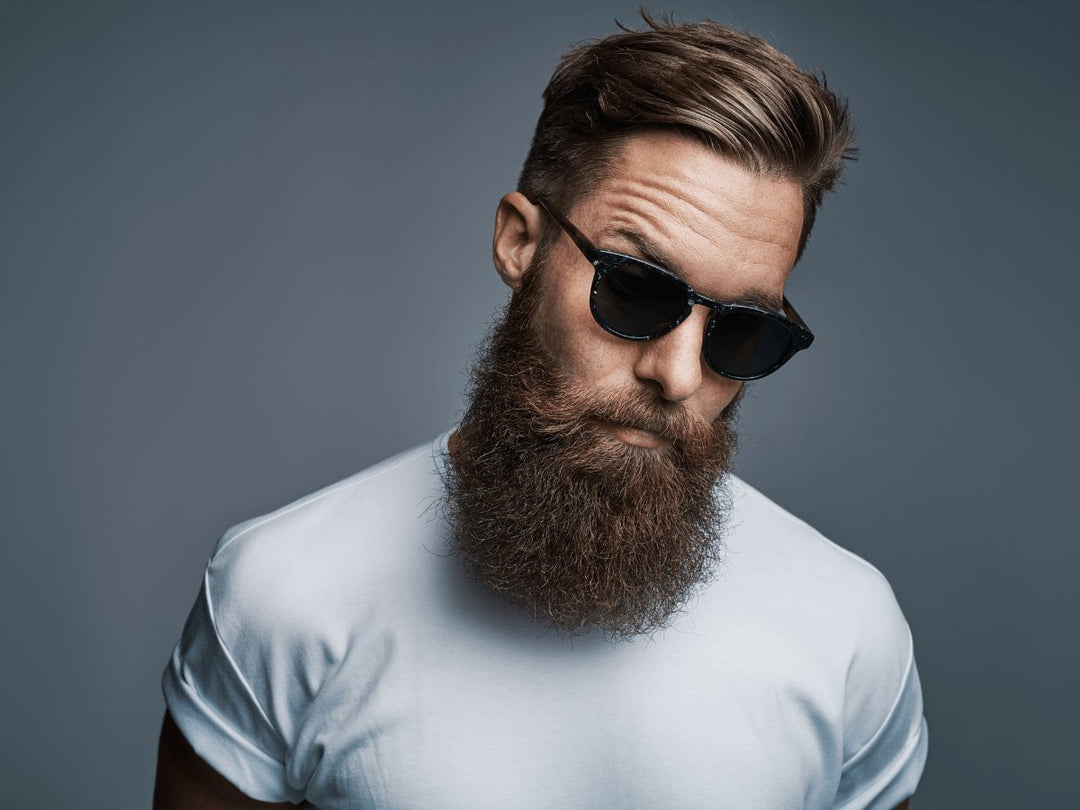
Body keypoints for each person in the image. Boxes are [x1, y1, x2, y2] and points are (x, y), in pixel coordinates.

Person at [154, 15, 927, 810]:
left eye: (742, 331)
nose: (677, 374)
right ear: (520, 243)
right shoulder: (282, 593)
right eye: (635, 289)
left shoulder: (849, 629)